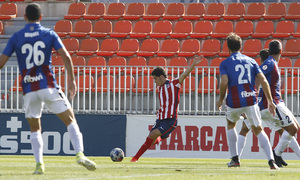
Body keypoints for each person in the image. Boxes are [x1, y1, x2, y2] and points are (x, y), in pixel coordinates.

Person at [0, 3, 96, 174]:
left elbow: (1, 64)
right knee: (70, 120)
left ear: (25, 18)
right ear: (41, 17)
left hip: (29, 89)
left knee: (35, 128)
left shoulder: (16, 37)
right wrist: (72, 80)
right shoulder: (49, 33)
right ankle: (80, 154)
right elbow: (66, 56)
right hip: (48, 86)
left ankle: (39, 164)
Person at [216, 33, 279, 169]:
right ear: (241, 46)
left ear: (228, 47)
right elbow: (263, 80)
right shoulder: (251, 61)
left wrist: (221, 99)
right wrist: (270, 101)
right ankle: (271, 161)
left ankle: (235, 159)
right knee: (258, 129)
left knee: (231, 124)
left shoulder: (225, 63)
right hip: (251, 99)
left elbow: (224, 81)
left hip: (234, 102)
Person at [237, 41, 300, 167]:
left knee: (289, 130)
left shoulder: (273, 63)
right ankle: (276, 154)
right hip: (270, 105)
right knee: (292, 129)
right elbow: (257, 77)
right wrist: (252, 98)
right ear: (281, 51)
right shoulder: (270, 63)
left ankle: (236, 158)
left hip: (267, 105)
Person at [130, 55, 203, 162]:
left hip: (170, 120)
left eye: (155, 79)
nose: (155, 81)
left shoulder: (175, 84)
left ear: (161, 77)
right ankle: (162, 137)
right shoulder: (160, 88)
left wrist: (193, 64)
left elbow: (185, 74)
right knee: (152, 138)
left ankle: (135, 158)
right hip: (160, 118)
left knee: (153, 134)